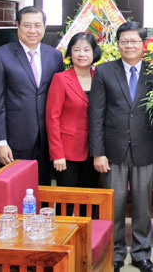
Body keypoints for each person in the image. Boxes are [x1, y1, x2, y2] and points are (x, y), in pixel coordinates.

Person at [89, 22, 153, 272]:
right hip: (112, 152)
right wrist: (98, 152)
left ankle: (141, 254)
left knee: (143, 206)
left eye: (134, 41)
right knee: (113, 206)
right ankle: (114, 254)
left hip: (146, 150)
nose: (129, 46)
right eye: (124, 41)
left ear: (143, 44)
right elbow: (96, 115)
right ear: (118, 44)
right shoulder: (104, 72)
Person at [0, 6, 64, 185]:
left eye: (37, 25)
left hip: (46, 139)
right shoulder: (0, 56)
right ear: (17, 26)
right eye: (27, 25)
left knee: (42, 188)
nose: (32, 30)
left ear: (44, 27)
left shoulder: (55, 56)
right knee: (16, 191)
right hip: (15, 139)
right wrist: (0, 142)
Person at [46, 32, 101, 214]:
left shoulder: (100, 77)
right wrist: (57, 154)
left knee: (90, 201)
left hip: (94, 151)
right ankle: (65, 240)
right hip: (67, 152)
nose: (82, 54)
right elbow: (52, 118)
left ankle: (89, 240)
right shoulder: (61, 79)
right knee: (66, 202)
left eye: (86, 50)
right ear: (70, 53)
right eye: (76, 50)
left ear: (94, 53)